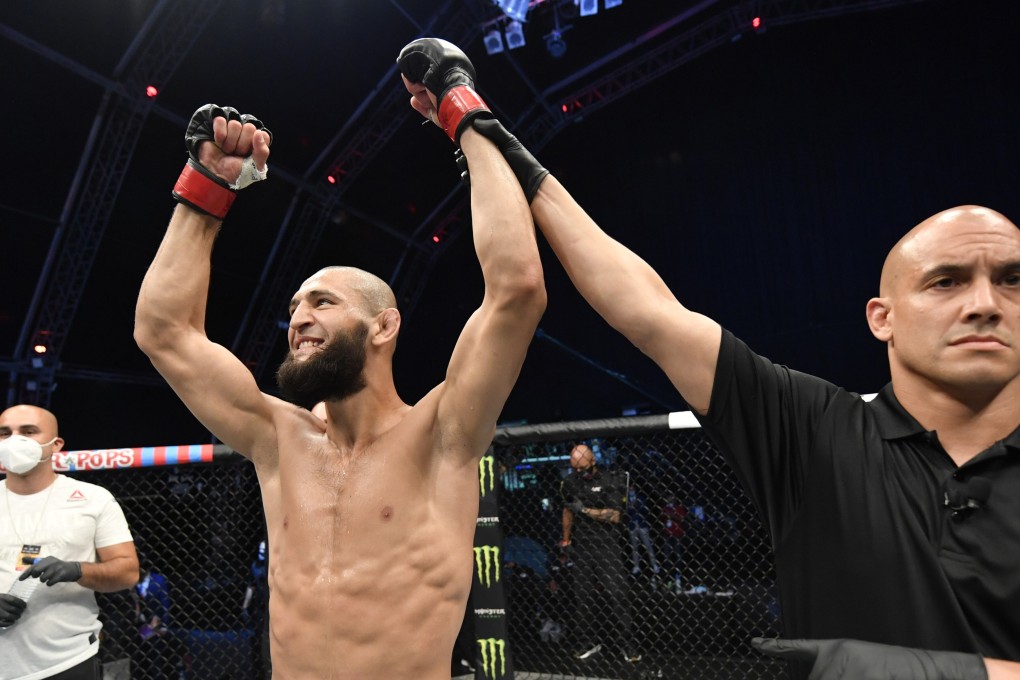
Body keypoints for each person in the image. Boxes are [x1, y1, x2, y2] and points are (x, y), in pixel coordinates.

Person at [457, 119, 1020, 678]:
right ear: (882, 318)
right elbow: (649, 312)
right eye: (946, 281)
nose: (984, 304)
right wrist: (500, 146)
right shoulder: (816, 431)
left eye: (1012, 279)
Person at [133, 37, 545, 680]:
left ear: (384, 326)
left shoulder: (442, 434)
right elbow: (162, 332)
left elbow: (516, 289)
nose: (298, 319)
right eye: (296, 306)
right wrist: (207, 187)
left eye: (322, 303)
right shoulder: (277, 438)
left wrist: (462, 114)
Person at [0, 404, 139, 680]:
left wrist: (79, 570)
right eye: (5, 433)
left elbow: (128, 571)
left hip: (66, 661)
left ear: (56, 444)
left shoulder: (93, 499)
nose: (16, 440)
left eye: (29, 432)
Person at [558, 444, 640, 665]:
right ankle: (588, 641)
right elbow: (567, 510)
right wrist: (566, 539)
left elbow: (614, 516)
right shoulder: (570, 482)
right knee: (582, 598)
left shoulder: (609, 479)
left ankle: (627, 643)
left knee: (618, 595)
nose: (579, 473)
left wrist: (584, 510)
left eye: (582, 468)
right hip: (582, 547)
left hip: (607, 545)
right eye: (575, 469)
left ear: (593, 462)